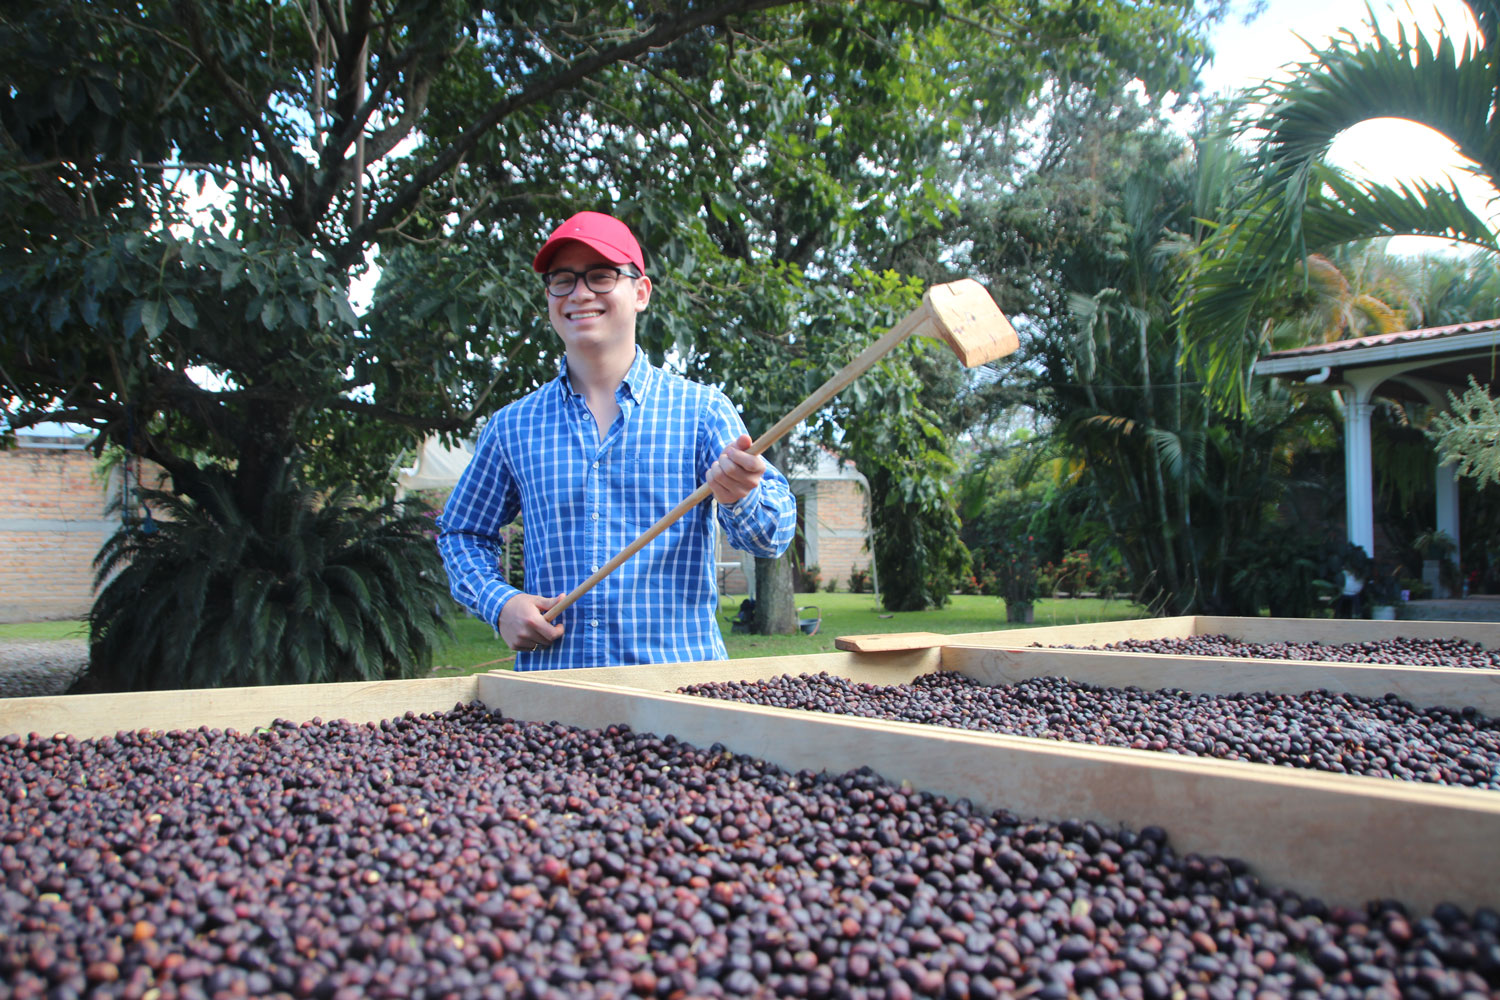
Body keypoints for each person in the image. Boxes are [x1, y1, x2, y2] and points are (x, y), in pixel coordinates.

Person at [437, 210, 797, 670]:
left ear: (640, 291)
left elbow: (771, 536)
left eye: (602, 276)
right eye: (562, 279)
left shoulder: (701, 411)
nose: (580, 293)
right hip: (556, 701)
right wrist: (499, 603)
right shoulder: (513, 426)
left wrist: (741, 497)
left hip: (682, 695)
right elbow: (462, 532)